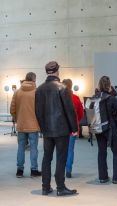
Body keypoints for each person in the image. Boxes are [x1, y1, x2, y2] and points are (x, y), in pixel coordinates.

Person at [35, 61, 78, 196]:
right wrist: (74, 128)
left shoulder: (40, 89)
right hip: (61, 129)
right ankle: (60, 187)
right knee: (61, 158)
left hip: (47, 130)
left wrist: (42, 127)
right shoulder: (63, 88)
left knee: (46, 158)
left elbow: (37, 112)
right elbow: (69, 110)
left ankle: (45, 187)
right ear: (57, 71)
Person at [95, 76, 117, 184]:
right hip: (110, 128)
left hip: (98, 128)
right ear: (109, 85)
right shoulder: (111, 98)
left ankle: (103, 177)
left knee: (101, 152)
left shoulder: (94, 97)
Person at [10, 72, 41, 178]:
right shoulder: (37, 93)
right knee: (34, 148)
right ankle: (34, 170)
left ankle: (19, 170)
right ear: (34, 80)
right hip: (33, 125)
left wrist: (17, 119)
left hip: (21, 125)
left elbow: (12, 109)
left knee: (21, 148)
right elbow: (40, 110)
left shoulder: (17, 92)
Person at [62, 79, 84, 178]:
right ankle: (68, 170)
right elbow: (81, 114)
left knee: (61, 150)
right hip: (73, 129)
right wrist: (76, 122)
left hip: (61, 129)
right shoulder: (76, 98)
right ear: (71, 86)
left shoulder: (59, 98)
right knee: (70, 150)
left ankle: (61, 169)